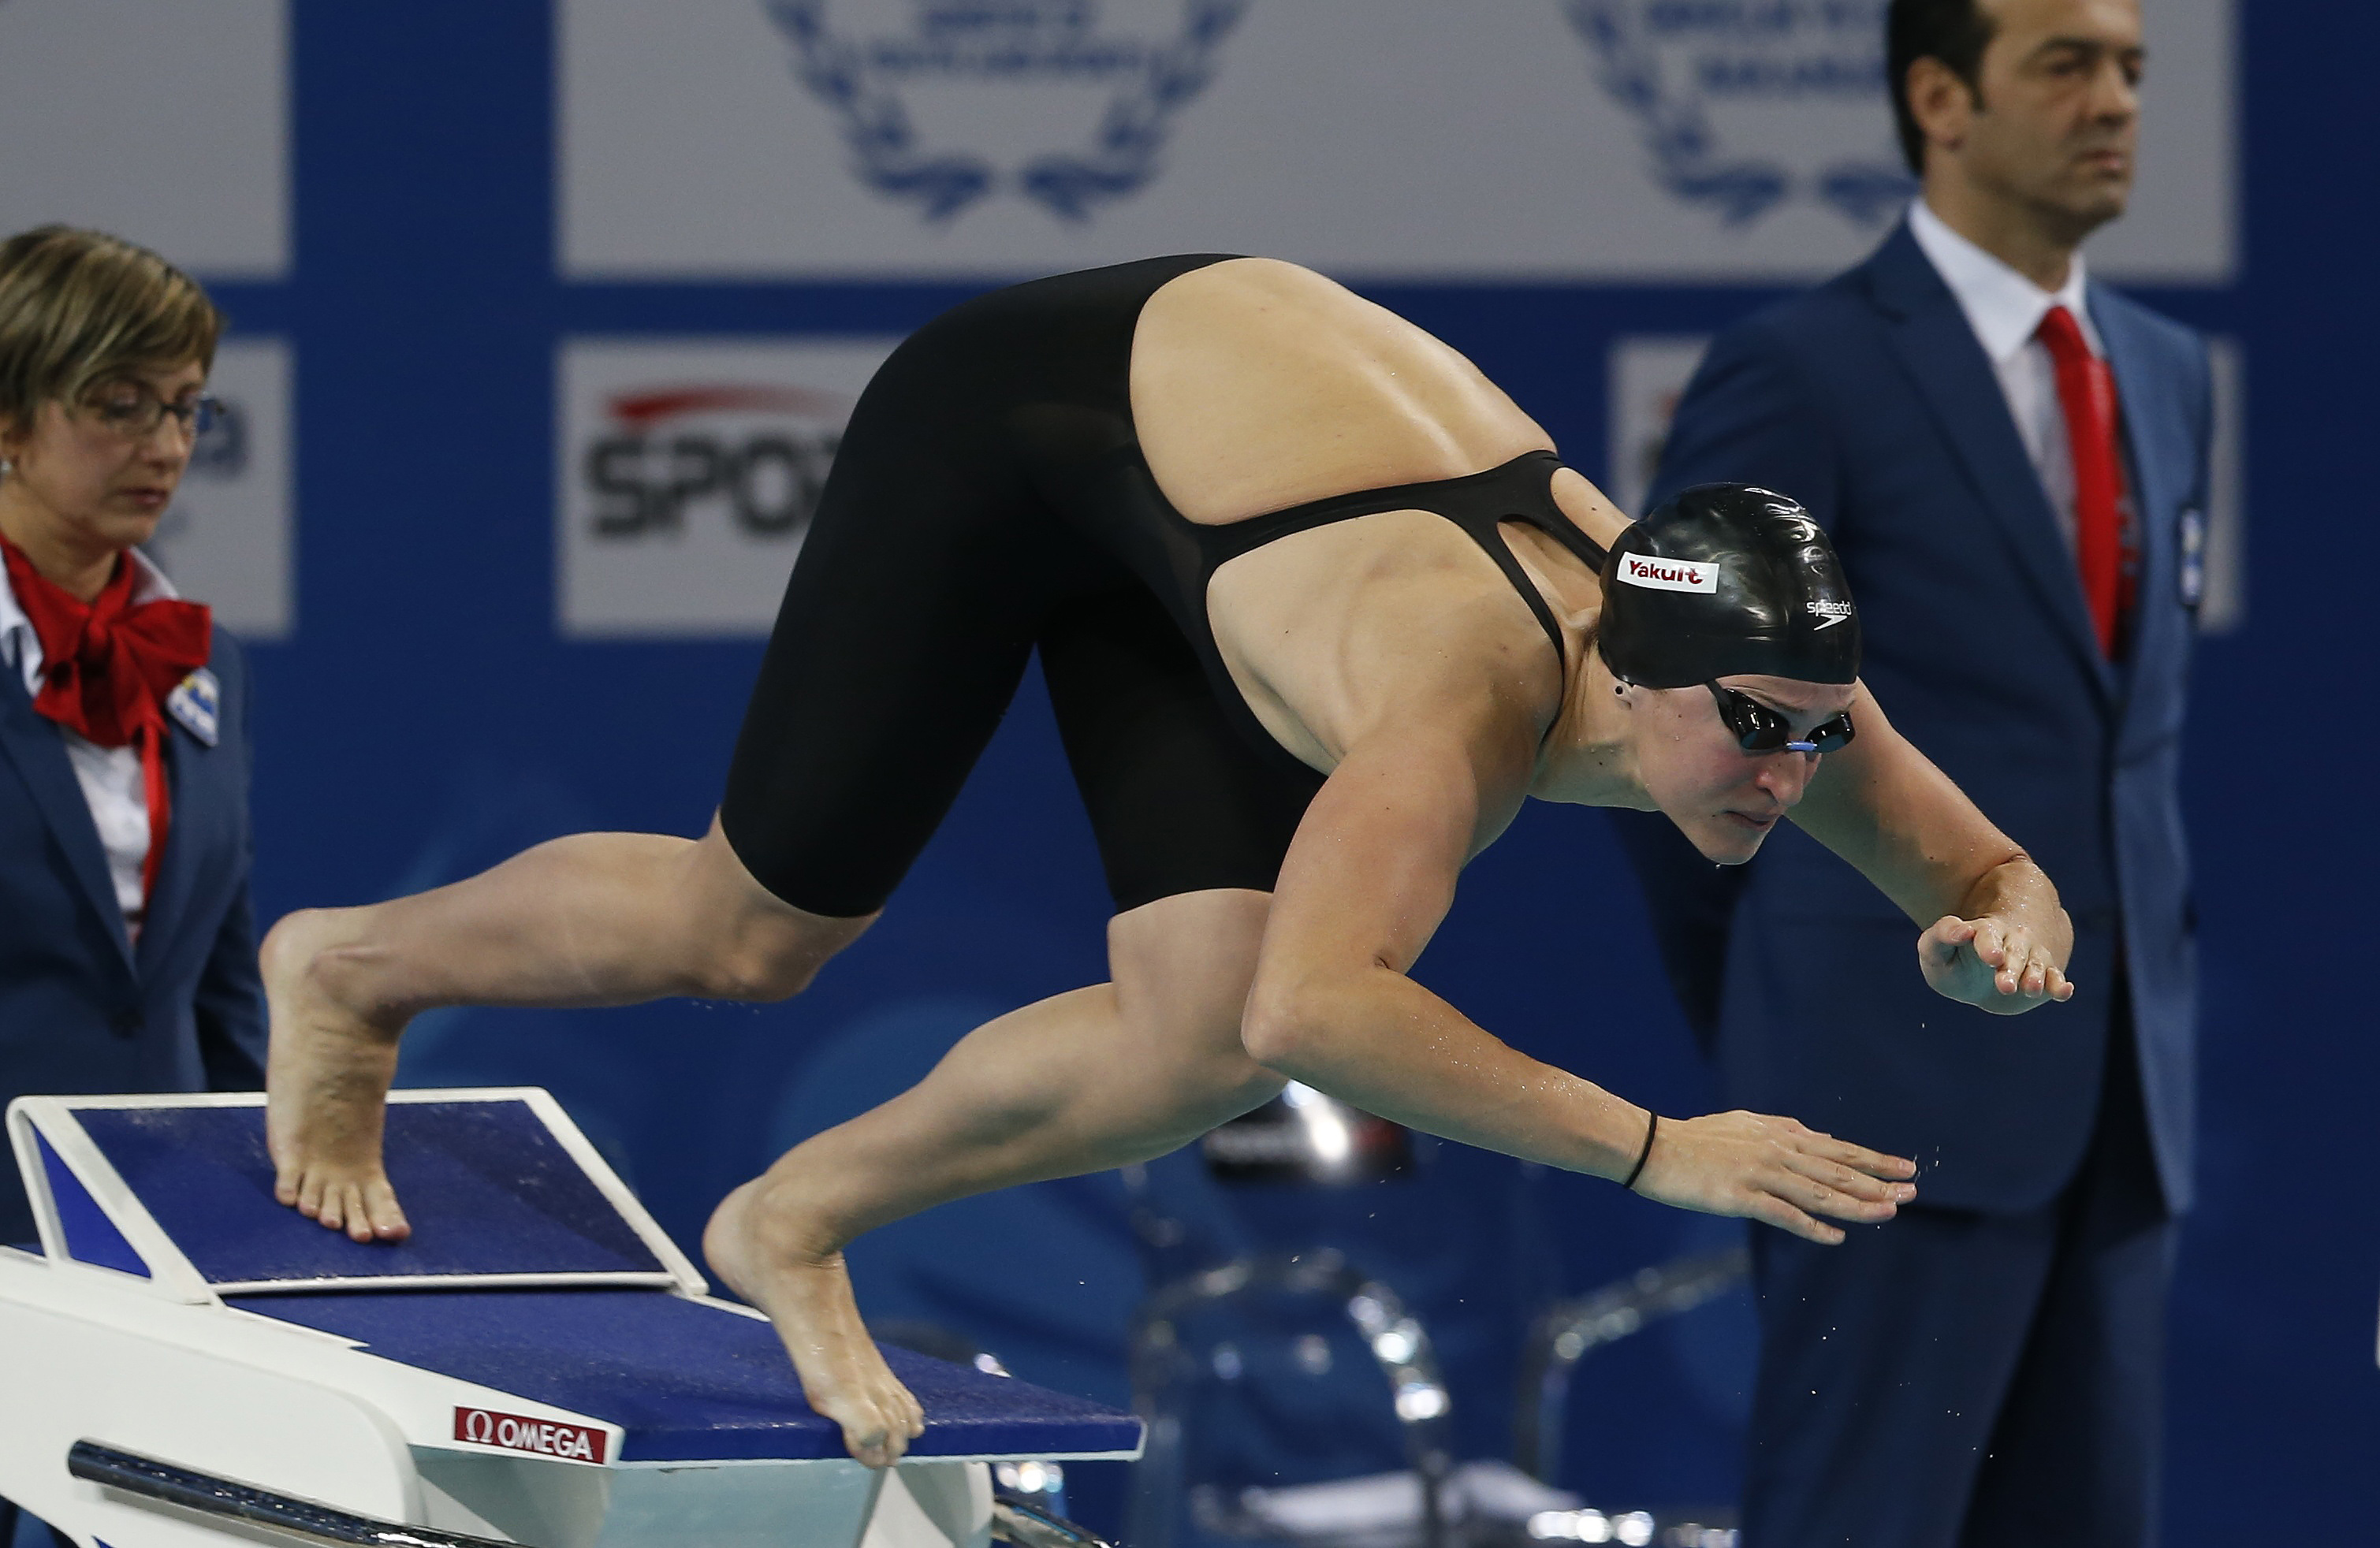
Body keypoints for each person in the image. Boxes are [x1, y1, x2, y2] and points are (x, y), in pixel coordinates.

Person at [263, 255, 2076, 1467]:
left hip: (1232, 507)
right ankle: (349, 968)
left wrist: (1984, 931)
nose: (1788, 772)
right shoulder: (1463, 692)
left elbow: (1993, 868)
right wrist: (1657, 1149)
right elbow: (1327, 1003)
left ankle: (788, 1218)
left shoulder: (1775, 693)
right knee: (753, 930)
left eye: (1818, 732)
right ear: (1627, 662)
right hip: (1032, 416)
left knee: (1189, 1030)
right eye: (1753, 727)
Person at [1612, 0, 2207, 1542]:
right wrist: (1780, 1015)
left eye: (2133, 67)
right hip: (1874, 1096)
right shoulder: (1794, 370)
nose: (2116, 102)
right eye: (2066, 62)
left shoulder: (2167, 372)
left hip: (2122, 1093)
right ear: (1939, 96)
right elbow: (1670, 738)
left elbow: (2109, 745)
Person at [0, 226, 266, 1548]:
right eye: (117, 406)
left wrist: (265, 1236)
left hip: (149, 1259)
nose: (164, 444)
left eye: (183, 407)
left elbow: (218, 981)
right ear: (7, 420)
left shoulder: (198, 670)